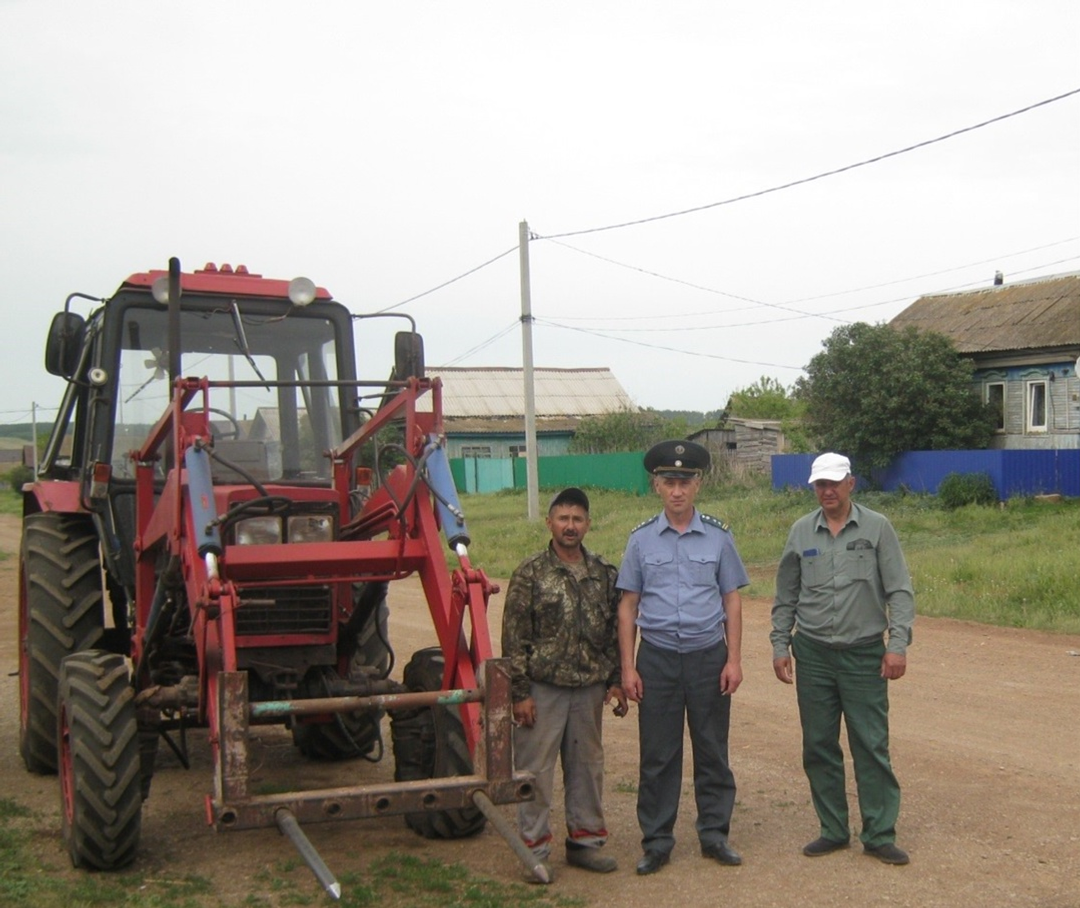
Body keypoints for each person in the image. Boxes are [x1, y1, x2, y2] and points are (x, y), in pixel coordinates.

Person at [771, 452, 915, 866]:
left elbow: (899, 591)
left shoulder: (877, 528)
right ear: (813, 486)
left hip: (865, 654)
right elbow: (786, 596)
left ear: (851, 483)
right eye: (820, 484)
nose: (827, 491)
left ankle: (879, 833)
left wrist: (897, 644)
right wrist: (781, 645)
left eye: (834, 483)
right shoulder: (800, 532)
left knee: (871, 744)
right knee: (818, 744)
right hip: (813, 653)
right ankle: (832, 829)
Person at [616, 440, 749, 876]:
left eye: (685, 482)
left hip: (707, 657)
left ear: (698, 485)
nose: (677, 490)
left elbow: (731, 600)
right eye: (669, 481)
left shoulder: (719, 536)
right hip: (657, 659)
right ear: (656, 485)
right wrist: (628, 666)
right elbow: (628, 606)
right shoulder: (639, 540)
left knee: (712, 750)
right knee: (658, 755)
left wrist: (734, 659)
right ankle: (656, 841)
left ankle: (715, 835)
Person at [501, 487, 627, 883]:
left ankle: (586, 843)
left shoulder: (604, 573)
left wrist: (616, 681)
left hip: (588, 689)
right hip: (542, 690)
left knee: (588, 769)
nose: (570, 526)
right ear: (549, 523)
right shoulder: (530, 573)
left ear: (587, 524)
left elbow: (613, 633)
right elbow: (514, 637)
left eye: (577, 519)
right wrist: (519, 693)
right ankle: (533, 851)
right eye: (563, 518)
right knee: (535, 773)